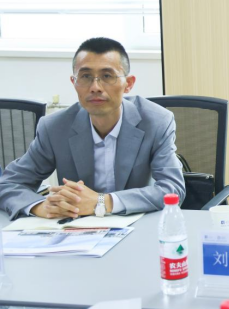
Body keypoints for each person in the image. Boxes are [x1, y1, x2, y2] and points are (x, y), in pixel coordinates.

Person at [0, 37, 185, 220]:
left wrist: (102, 202)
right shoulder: (55, 127)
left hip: (138, 225)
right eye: (86, 77)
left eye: (107, 76)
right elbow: (8, 184)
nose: (95, 87)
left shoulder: (156, 121)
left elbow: (172, 189)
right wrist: (42, 207)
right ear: (74, 82)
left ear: (128, 84)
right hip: (74, 229)